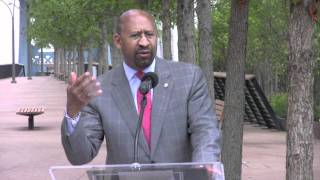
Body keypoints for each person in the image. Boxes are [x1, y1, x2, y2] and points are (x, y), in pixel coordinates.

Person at [61, 9, 221, 165]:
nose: (144, 42)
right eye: (135, 35)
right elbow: (80, 156)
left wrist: (205, 165)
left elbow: (205, 129)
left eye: (149, 35)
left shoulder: (188, 77)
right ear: (118, 40)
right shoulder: (99, 89)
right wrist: (73, 112)